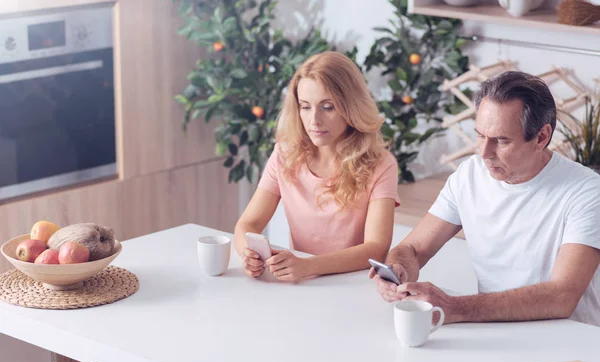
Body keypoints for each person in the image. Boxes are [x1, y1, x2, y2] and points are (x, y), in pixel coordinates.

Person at [370, 71, 600, 326]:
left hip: (571, 343)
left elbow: (561, 296)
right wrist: (398, 269)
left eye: (501, 140)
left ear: (541, 137)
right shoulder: (469, 175)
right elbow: (413, 249)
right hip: (493, 332)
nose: (484, 152)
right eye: (480, 135)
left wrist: (453, 307)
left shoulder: (587, 192)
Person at [234, 51, 400, 282]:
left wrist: (308, 266)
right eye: (305, 107)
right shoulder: (285, 153)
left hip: (352, 285)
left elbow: (376, 248)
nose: (314, 120)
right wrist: (248, 253)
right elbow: (247, 223)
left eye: (327, 107)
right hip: (302, 284)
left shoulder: (381, 165)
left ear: (350, 106)